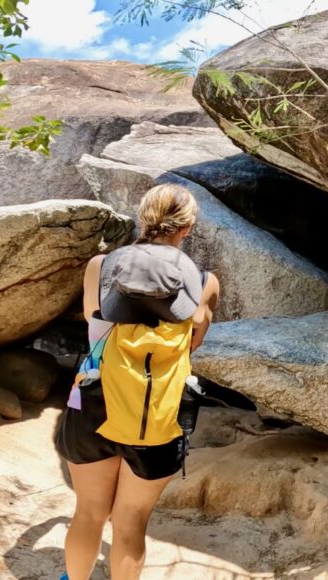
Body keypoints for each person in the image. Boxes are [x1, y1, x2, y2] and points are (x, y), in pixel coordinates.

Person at [54, 183, 220, 580]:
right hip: (158, 414)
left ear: (143, 217)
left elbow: (96, 323)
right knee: (130, 521)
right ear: (189, 227)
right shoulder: (204, 281)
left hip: (94, 402)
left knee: (90, 512)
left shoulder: (100, 266)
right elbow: (192, 344)